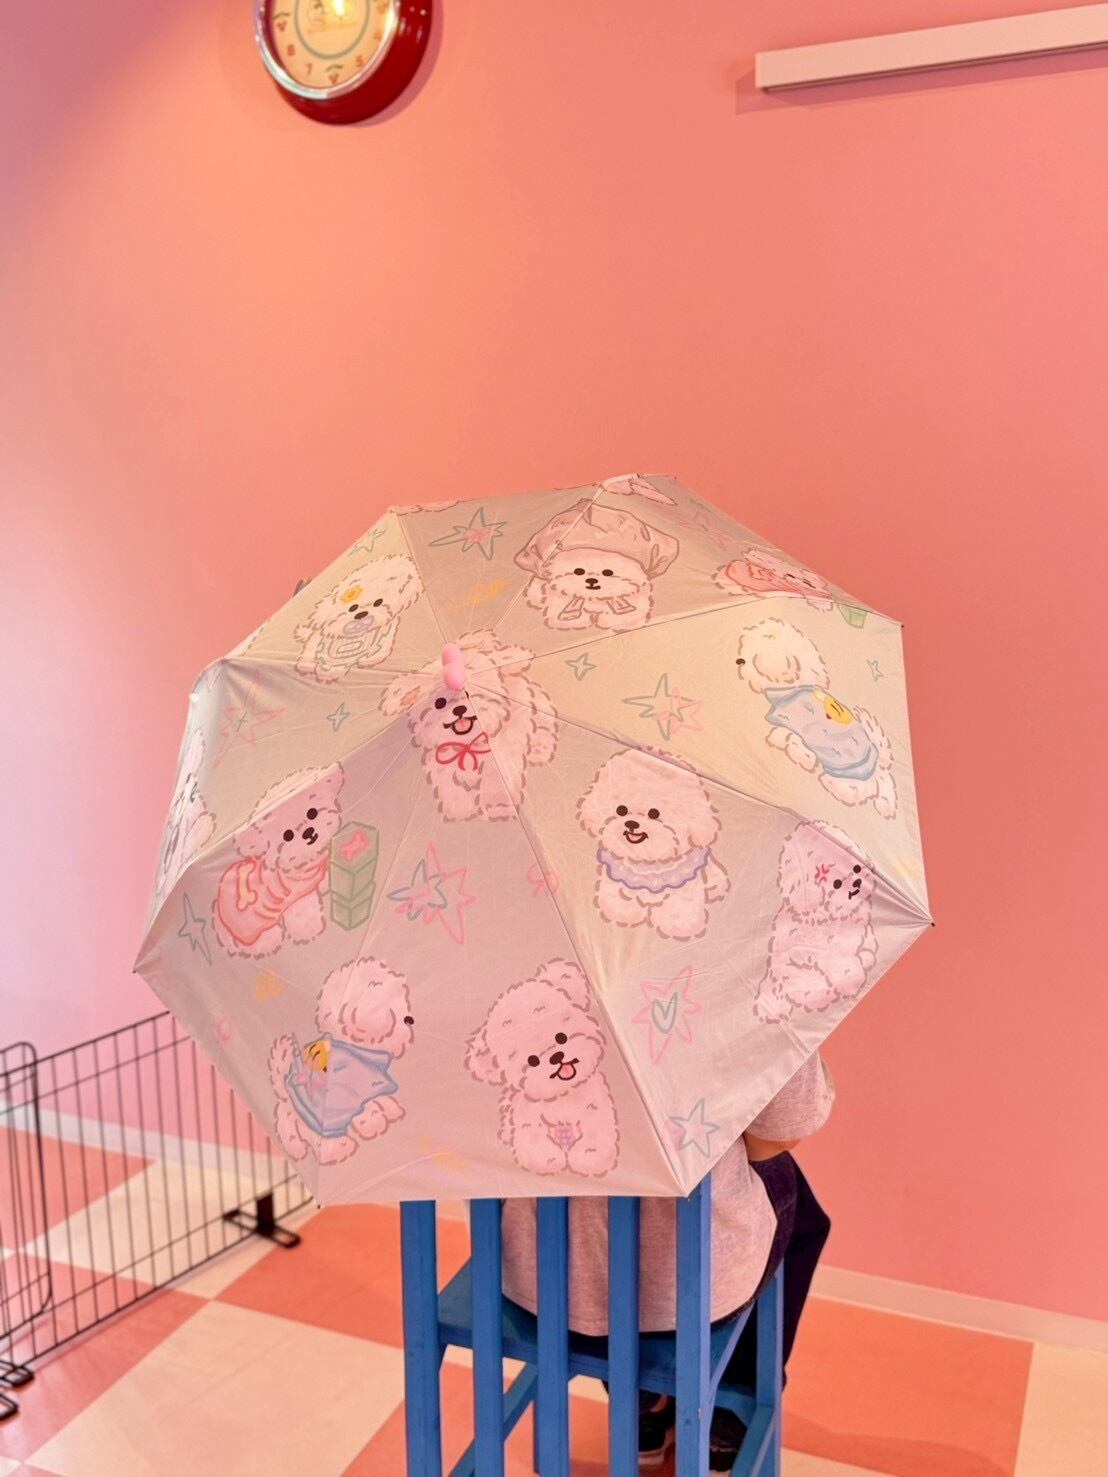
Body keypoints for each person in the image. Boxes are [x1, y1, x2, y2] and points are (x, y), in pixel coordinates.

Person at [500, 1051, 834, 1471]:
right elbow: (784, 1130)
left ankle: (644, 1404)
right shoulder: (742, 1005)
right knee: (797, 1218)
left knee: (597, 1222)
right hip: (690, 1296)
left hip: (540, 1279)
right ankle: (730, 1406)